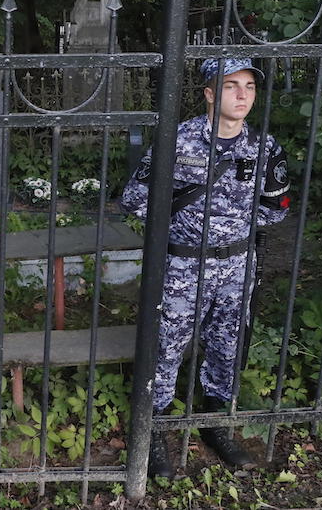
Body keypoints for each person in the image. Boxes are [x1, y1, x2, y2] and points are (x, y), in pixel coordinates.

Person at [120, 57, 290, 478]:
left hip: (236, 266)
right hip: (182, 265)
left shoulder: (263, 147)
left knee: (228, 347)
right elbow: (135, 199)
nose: (242, 95)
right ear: (210, 93)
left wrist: (231, 231)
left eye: (249, 87)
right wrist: (186, 227)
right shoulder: (176, 142)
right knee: (166, 348)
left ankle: (216, 424)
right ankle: (153, 431)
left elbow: (275, 209)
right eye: (232, 86)